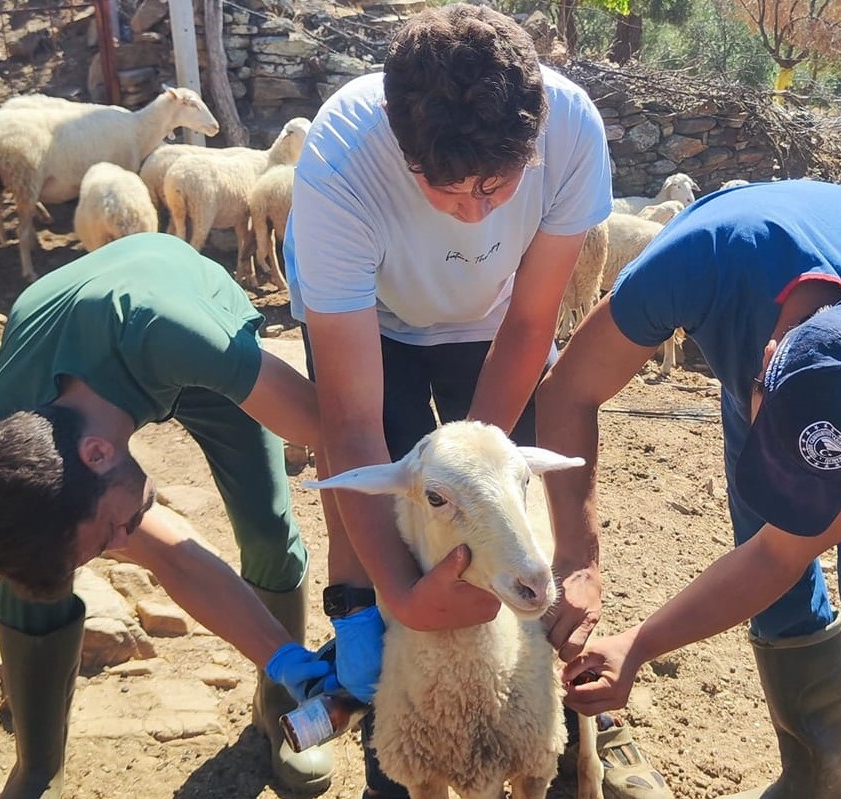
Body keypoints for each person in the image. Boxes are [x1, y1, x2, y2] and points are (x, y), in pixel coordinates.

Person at [284, 5, 670, 798]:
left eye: (498, 184)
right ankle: (387, 709)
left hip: (495, 325)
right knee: (382, 522)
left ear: (531, 141)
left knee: (510, 518)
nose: (477, 210)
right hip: (370, 324)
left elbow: (533, 320)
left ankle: (576, 729)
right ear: (401, 145)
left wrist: (482, 479)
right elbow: (351, 422)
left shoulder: (568, 132)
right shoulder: (339, 164)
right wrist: (399, 593)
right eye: (446, 188)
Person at [540, 179, 841, 799]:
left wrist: (640, 643)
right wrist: (577, 558)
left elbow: (780, 552)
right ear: (764, 360)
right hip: (762, 270)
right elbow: (568, 391)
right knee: (775, 575)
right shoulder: (700, 262)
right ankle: (812, 782)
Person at [0, 233, 338, 799]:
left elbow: (330, 431)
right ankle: (37, 766)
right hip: (94, 339)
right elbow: (167, 555)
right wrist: (285, 655)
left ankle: (279, 709)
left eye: (109, 535)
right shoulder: (10, 424)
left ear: (98, 454)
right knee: (30, 576)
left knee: (267, 526)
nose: (125, 545)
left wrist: (360, 597)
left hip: (179, 324)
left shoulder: (179, 335)